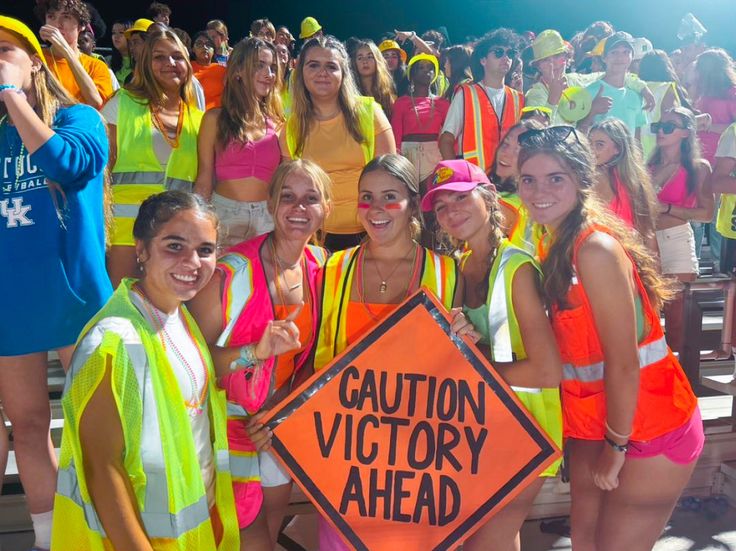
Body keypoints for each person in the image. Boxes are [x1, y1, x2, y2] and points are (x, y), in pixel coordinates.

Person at [517, 125, 703, 551]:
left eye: (555, 178)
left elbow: (622, 362)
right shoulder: (554, 241)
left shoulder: (593, 250)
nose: (538, 190)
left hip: (648, 426)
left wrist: (616, 446)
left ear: (583, 180)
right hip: (597, 424)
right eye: (529, 179)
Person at [51, 191, 239, 550]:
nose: (192, 262)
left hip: (192, 534)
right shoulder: (112, 341)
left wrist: (250, 355)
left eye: (205, 249)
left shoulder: (178, 317)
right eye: (174, 246)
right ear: (142, 250)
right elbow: (102, 469)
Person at [309, 154, 470, 549]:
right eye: (367, 197)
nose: (376, 209)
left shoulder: (447, 272)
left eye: (390, 197)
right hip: (345, 458)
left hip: (419, 461)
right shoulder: (333, 267)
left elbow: (459, 373)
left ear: (413, 205)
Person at [0, 16, 112, 551]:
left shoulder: (78, 117)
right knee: (27, 425)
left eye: (4, 50)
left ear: (34, 63)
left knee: (101, 429)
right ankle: (49, 542)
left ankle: (111, 528)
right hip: (10, 305)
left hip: (75, 300)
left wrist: (12, 97)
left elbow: (69, 163)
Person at [190, 160, 331, 551]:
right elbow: (192, 364)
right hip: (228, 430)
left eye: (310, 199)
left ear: (326, 209)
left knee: (269, 533)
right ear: (270, 204)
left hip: (281, 426)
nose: (298, 208)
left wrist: (283, 413)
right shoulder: (230, 273)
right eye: (288, 197)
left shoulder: (323, 267)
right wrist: (254, 352)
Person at [422, 158, 563, 551]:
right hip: (482, 426)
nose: (452, 212)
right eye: (442, 206)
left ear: (489, 198)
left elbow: (548, 371)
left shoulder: (517, 268)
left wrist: (475, 360)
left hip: (526, 430)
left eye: (462, 198)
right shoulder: (458, 266)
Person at [103, 28, 203, 286]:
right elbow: (100, 172)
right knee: (122, 310)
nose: (170, 64)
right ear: (145, 63)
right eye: (159, 57)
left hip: (177, 236)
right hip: (125, 234)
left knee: (165, 315)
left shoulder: (199, 119)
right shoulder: (121, 104)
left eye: (177, 57)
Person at [279, 35, 395, 251]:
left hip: (371, 234)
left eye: (331, 66)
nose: (322, 73)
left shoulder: (370, 113)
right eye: (313, 65)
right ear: (300, 72)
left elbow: (392, 181)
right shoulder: (291, 128)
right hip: (316, 239)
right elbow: (292, 190)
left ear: (343, 73)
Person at [195, 38, 283, 249]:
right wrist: (196, 223)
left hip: (267, 216)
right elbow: (204, 178)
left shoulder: (279, 123)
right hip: (224, 214)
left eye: (272, 68)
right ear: (238, 71)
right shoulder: (214, 119)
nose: (268, 74)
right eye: (259, 65)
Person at [649, 108, 713, 352]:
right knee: (650, 313)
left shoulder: (698, 167)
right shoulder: (649, 165)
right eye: (659, 126)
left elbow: (706, 214)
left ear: (686, 133)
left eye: (668, 127)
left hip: (677, 238)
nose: (661, 132)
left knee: (677, 318)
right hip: (648, 241)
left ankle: (680, 379)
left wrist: (667, 208)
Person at [525, 29, 654, 127]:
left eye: (558, 57)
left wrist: (643, 89)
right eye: (546, 60)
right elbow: (537, 136)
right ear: (538, 66)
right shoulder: (535, 94)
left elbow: (615, 73)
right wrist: (552, 101)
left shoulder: (577, 81)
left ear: (566, 58)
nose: (552, 64)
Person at [439, 28, 525, 173]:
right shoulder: (466, 94)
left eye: (510, 53)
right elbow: (445, 140)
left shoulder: (518, 98)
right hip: (475, 183)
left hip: (508, 184)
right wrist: (459, 177)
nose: (506, 58)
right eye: (498, 52)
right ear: (483, 60)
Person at [588, 119, 659, 246]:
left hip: (604, 253)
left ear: (618, 149)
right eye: (589, 143)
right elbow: (647, 231)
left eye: (599, 144)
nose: (591, 149)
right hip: (631, 254)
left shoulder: (596, 177)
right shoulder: (637, 180)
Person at [34, 0, 113, 109]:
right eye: (51, 16)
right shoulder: (35, 58)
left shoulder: (97, 66)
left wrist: (66, 51)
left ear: (82, 26)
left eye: (66, 17)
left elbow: (97, 104)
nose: (58, 24)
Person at [391, 53, 449, 184]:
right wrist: (396, 159)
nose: (427, 71)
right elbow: (396, 135)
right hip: (407, 154)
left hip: (434, 154)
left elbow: (449, 136)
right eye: (421, 68)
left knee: (432, 197)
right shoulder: (401, 103)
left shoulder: (442, 103)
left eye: (430, 68)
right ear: (412, 75)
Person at [490, 119, 546, 254]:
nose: (505, 153)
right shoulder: (538, 199)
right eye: (506, 144)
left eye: (518, 151)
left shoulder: (503, 206)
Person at [578, 32, 648, 137]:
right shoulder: (588, 91)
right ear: (604, 57)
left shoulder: (637, 95)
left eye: (626, 52)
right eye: (614, 52)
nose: (620, 57)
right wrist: (592, 111)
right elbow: (578, 135)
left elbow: (637, 140)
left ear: (632, 57)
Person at [351, 39, 396, 118]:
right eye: (360, 58)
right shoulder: (350, 94)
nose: (365, 61)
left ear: (377, 60)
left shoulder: (387, 95)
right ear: (355, 63)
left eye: (370, 57)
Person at [191, 31, 226, 111]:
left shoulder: (223, 71)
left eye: (208, 45)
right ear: (193, 49)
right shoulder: (186, 68)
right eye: (199, 44)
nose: (204, 47)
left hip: (217, 117)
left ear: (214, 50)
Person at [110, 19, 133, 83]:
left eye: (121, 32)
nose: (116, 36)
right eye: (113, 33)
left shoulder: (141, 61)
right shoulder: (107, 61)